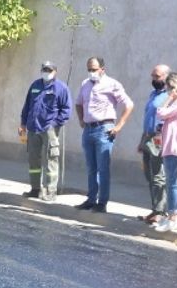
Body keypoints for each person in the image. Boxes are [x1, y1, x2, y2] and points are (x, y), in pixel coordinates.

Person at [74, 57, 134, 213]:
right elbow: (78, 103)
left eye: (94, 69)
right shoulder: (85, 84)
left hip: (104, 129)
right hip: (88, 129)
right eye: (89, 69)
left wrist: (119, 126)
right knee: (91, 167)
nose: (91, 72)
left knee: (103, 168)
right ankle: (91, 199)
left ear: (102, 69)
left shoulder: (112, 84)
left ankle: (102, 202)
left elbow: (129, 104)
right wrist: (81, 119)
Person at [19, 61, 71, 201]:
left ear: (55, 72)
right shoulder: (35, 85)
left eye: (49, 70)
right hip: (33, 128)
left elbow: (66, 110)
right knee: (33, 160)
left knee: (51, 160)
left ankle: (51, 191)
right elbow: (27, 105)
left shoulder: (61, 88)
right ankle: (35, 189)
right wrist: (23, 123)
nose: (46, 72)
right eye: (44, 70)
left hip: (49, 129)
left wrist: (54, 124)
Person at [154, 72, 177, 232]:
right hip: (170, 144)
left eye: (171, 87)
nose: (168, 90)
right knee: (170, 181)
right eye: (168, 87)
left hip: (175, 145)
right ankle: (170, 215)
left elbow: (160, 113)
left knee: (172, 181)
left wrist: (169, 98)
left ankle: (173, 218)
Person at [137, 64, 171, 224]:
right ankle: (154, 209)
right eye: (153, 76)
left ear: (166, 77)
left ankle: (161, 211)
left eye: (157, 76)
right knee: (149, 175)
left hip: (158, 138)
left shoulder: (170, 96)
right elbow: (148, 118)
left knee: (158, 176)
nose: (153, 79)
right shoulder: (153, 94)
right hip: (147, 137)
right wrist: (142, 141)